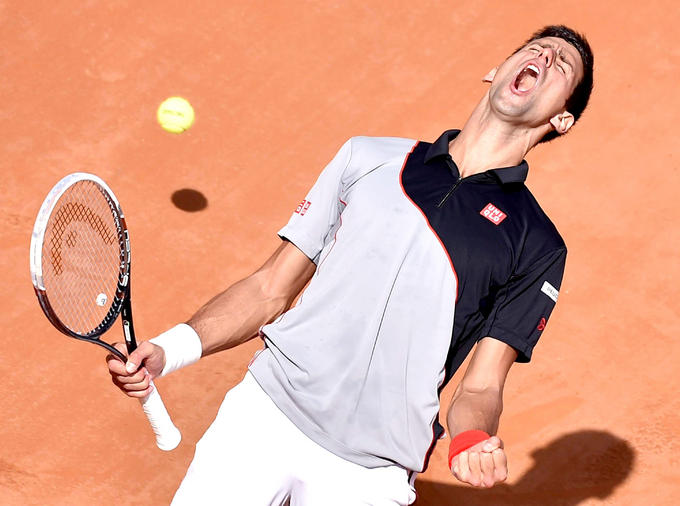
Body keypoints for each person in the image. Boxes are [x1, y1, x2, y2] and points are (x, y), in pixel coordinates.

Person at [107, 24, 594, 505]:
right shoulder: (369, 157)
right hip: (264, 417)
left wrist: (472, 438)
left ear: (562, 119)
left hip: (371, 473)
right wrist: (171, 348)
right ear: (496, 70)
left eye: (562, 65)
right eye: (537, 49)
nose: (545, 58)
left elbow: (483, 384)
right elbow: (270, 288)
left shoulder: (536, 244)